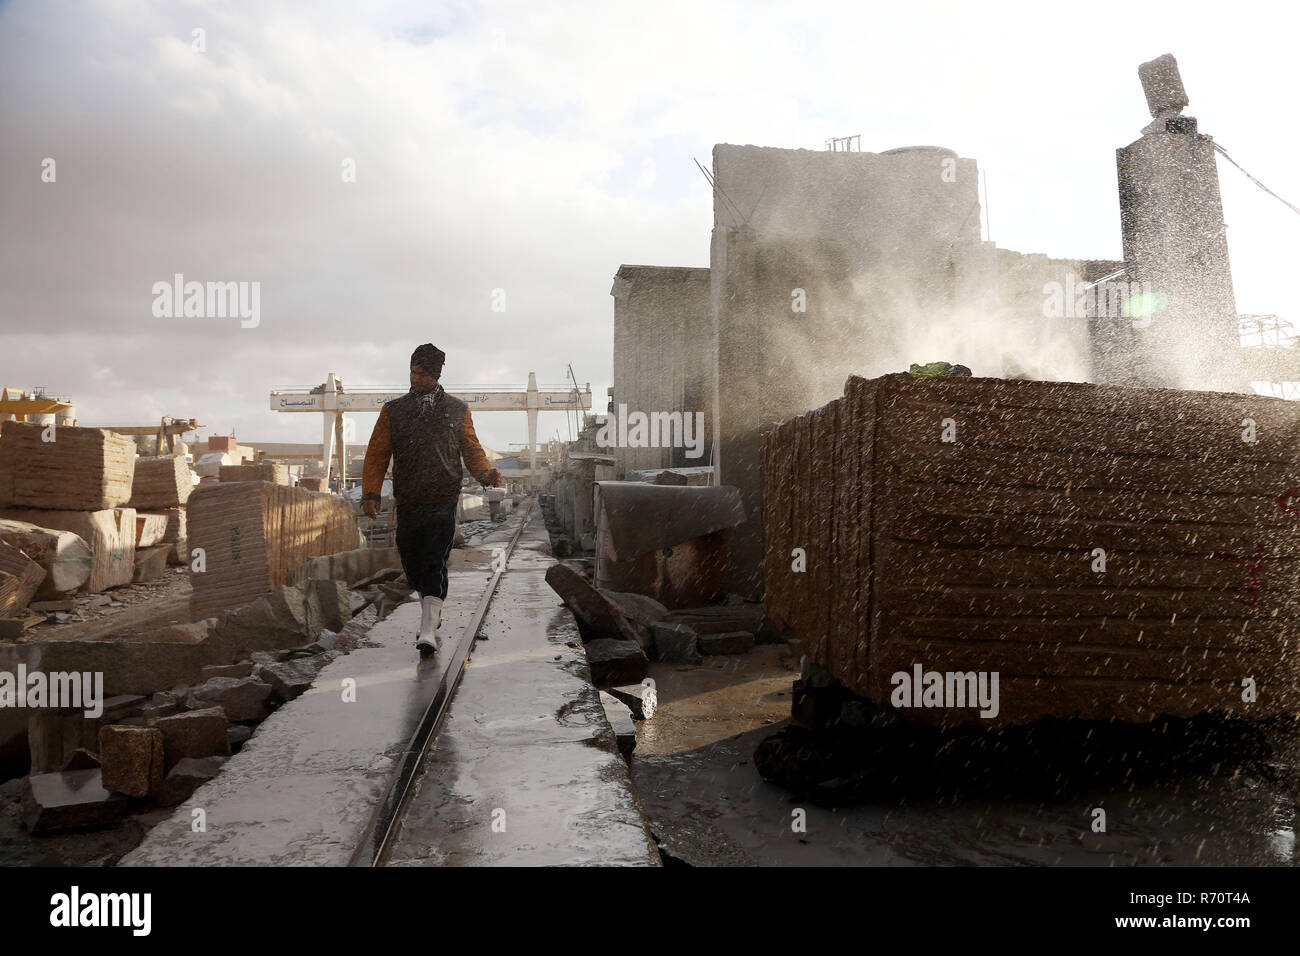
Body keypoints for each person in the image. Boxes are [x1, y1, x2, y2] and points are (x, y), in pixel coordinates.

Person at [361, 344, 502, 655]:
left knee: (433, 559)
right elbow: (376, 454)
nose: (414, 379)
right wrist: (371, 493)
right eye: (412, 372)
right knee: (411, 559)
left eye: (421, 374)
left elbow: (471, 449)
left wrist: (485, 474)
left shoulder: (457, 410)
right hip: (409, 498)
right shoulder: (393, 412)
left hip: (442, 497)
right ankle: (430, 612)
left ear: (436, 375)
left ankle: (427, 628)